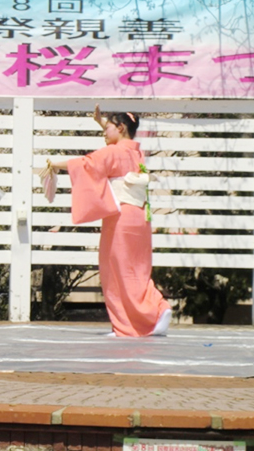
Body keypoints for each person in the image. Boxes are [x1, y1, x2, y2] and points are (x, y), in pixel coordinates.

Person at [50, 105, 172, 337]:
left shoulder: (114, 152)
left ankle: (136, 321)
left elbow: (86, 164)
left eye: (107, 128)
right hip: (140, 216)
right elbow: (119, 144)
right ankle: (156, 307)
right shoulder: (136, 151)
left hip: (121, 217)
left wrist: (53, 165)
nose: (104, 133)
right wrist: (104, 122)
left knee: (116, 270)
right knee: (138, 267)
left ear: (121, 127)